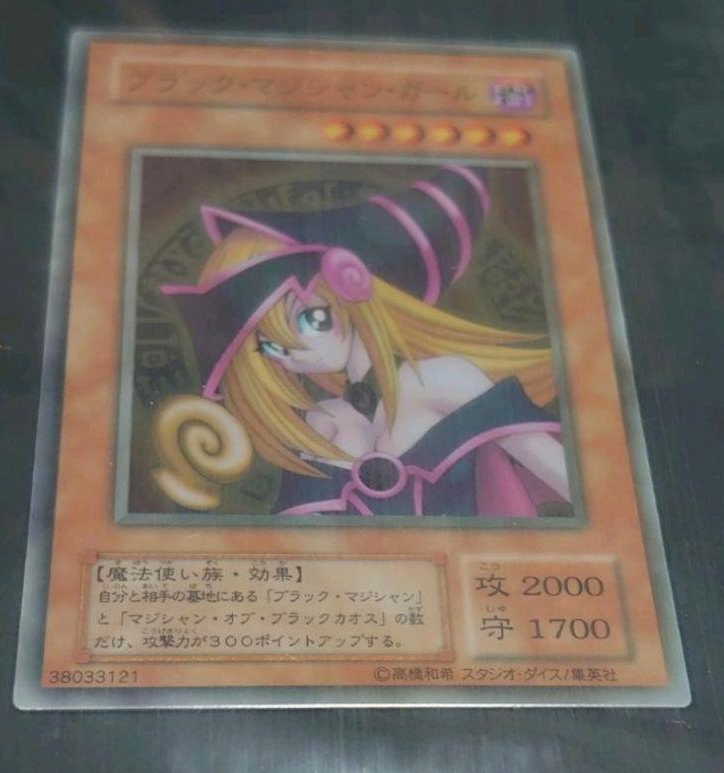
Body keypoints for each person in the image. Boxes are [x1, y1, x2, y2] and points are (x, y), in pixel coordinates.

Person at [161, 165, 570, 518]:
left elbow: (566, 481)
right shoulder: (322, 421)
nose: (298, 354)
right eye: (272, 347)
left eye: (310, 319)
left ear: (351, 288)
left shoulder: (445, 378)